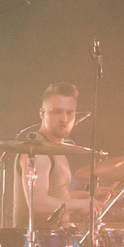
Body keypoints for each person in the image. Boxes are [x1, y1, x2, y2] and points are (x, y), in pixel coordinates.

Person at [15, 83, 89, 227]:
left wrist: (87, 197)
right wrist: (80, 205)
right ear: (42, 113)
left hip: (56, 236)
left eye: (69, 113)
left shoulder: (55, 148)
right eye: (57, 112)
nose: (64, 119)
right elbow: (38, 204)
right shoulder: (38, 151)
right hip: (35, 239)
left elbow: (57, 196)